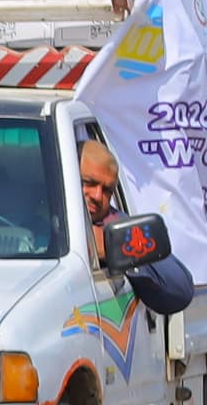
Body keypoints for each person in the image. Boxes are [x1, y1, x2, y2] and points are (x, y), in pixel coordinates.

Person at [79, 134, 194, 314]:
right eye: (89, 183)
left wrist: (115, 248)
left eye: (107, 190)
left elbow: (180, 290)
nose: (97, 196)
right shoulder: (28, 218)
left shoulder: (113, 224)